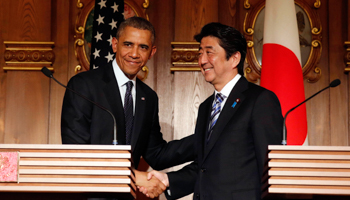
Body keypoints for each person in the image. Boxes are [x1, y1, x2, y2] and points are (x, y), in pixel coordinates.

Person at [142, 22, 283, 199]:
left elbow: (271, 168)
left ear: (234, 58)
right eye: (200, 53)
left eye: (209, 52)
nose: (202, 60)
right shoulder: (206, 107)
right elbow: (205, 166)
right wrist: (168, 179)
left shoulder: (260, 100)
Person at [61, 17, 195, 199]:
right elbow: (76, 153)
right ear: (115, 45)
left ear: (152, 52)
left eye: (143, 47)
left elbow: (156, 153)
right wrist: (131, 176)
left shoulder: (148, 97)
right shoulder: (84, 85)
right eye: (128, 44)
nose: (134, 54)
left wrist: (204, 138)